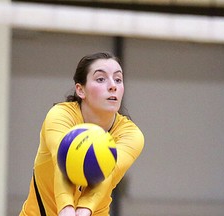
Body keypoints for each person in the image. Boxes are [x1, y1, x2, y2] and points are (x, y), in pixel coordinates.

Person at [20, 52, 144, 216]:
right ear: (80, 90)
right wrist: (66, 208)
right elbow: (61, 162)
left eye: (118, 79)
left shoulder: (131, 135)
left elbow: (108, 174)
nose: (113, 85)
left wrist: (85, 210)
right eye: (101, 79)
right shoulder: (60, 115)